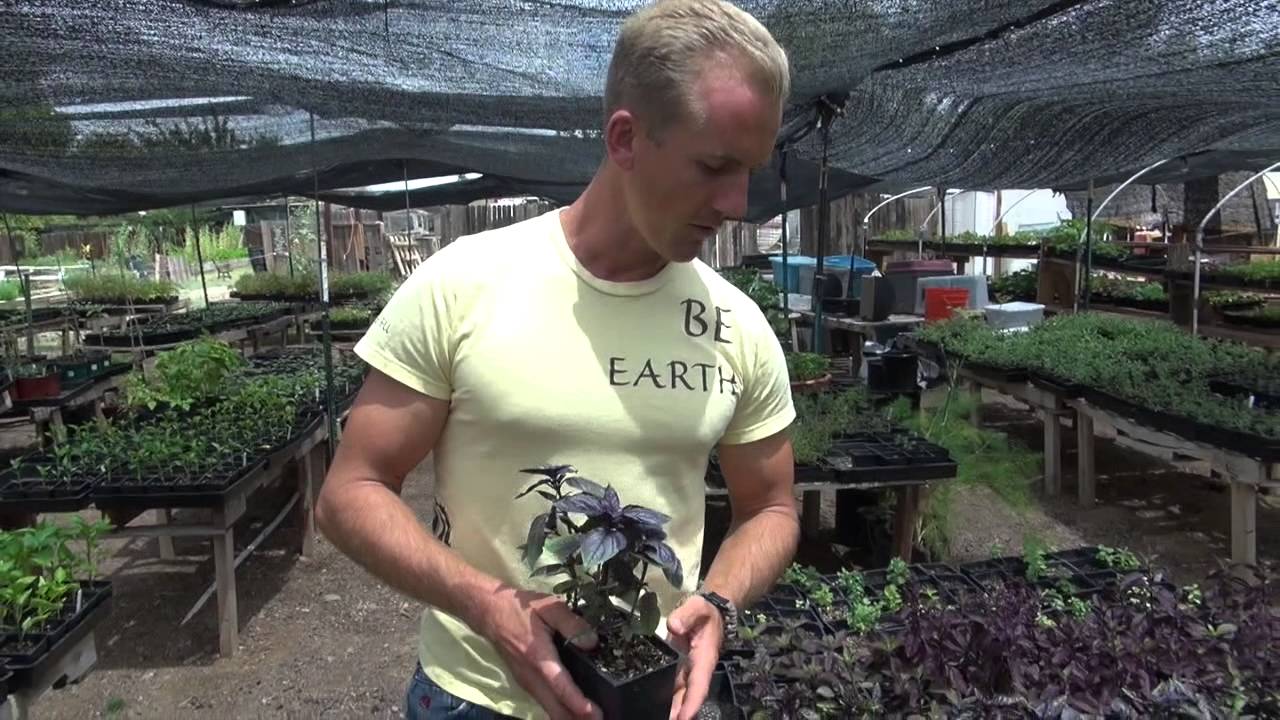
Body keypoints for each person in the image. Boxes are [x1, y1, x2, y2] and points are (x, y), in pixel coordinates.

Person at [316, 1, 798, 718]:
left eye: (751, 170)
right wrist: (489, 604)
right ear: (626, 138)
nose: (737, 203)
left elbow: (773, 507)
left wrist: (720, 600)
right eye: (715, 166)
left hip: (652, 701)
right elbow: (349, 493)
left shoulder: (738, 325)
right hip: (475, 699)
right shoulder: (466, 283)